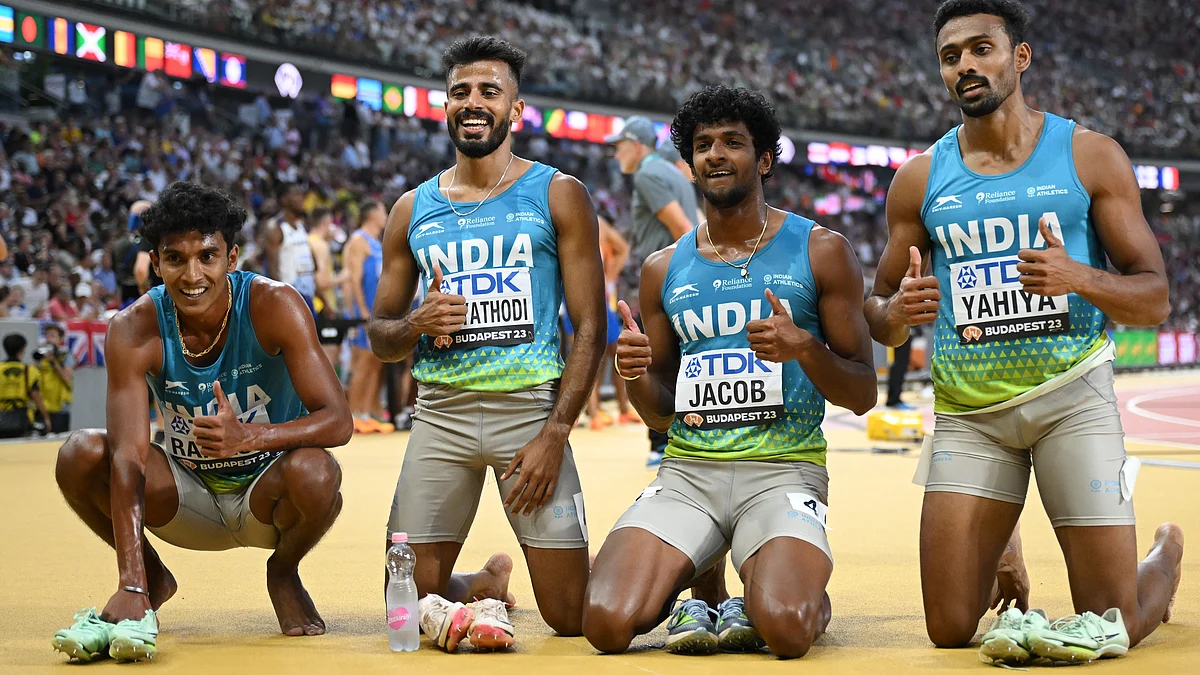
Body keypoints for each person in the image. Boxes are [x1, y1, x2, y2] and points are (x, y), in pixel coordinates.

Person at [864, 0, 1184, 666]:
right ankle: (1001, 537)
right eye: (951, 57)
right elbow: (875, 304)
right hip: (970, 417)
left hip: (1072, 401)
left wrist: (1078, 276)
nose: (966, 66)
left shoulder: (1090, 157)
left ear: (1020, 57)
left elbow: (1154, 299)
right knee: (950, 626)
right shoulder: (918, 180)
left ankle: (1165, 554)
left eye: (981, 48)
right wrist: (894, 316)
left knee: (1111, 621)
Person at [583, 85, 877, 658]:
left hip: (784, 472)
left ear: (765, 159)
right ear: (689, 163)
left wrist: (805, 349)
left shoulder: (821, 250)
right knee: (605, 622)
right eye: (703, 144)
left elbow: (863, 393)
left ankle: (792, 590)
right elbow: (661, 410)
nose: (715, 154)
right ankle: (702, 589)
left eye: (733, 142)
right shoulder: (661, 268)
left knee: (786, 629)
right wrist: (635, 372)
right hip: (689, 474)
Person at [368, 36, 606, 651]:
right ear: (445, 106)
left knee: (572, 616)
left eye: (488, 92)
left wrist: (556, 434)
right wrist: (417, 323)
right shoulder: (410, 209)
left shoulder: (558, 194)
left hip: (528, 416)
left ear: (515, 110)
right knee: (404, 611)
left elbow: (589, 325)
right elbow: (381, 335)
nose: (473, 102)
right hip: (440, 417)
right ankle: (480, 582)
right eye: (460, 92)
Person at [51, 182, 352, 663]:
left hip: (267, 496)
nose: (193, 275)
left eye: (207, 256)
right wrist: (129, 580)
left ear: (231, 258)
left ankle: (284, 571)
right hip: (184, 495)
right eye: (175, 259)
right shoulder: (132, 327)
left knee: (318, 472)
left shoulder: (275, 305)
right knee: (80, 453)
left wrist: (250, 436)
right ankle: (149, 581)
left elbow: (339, 421)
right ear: (156, 261)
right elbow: (128, 455)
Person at [607, 115, 700, 466]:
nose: (616, 154)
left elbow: (681, 227)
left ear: (636, 144)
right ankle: (679, 435)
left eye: (619, 146)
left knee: (659, 361)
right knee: (676, 359)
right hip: (681, 277)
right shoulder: (675, 173)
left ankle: (662, 444)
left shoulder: (648, 174)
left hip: (666, 279)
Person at [344, 201, 394, 434]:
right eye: (383, 211)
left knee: (376, 364)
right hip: (364, 313)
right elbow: (353, 280)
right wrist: (361, 311)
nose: (386, 215)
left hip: (378, 313)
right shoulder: (358, 241)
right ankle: (353, 414)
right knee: (362, 363)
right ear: (372, 214)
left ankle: (366, 412)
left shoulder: (377, 244)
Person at [261, 183, 317, 312]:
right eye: (296, 194)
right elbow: (272, 272)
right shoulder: (275, 227)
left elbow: (312, 266)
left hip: (308, 295)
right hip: (289, 299)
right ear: (284, 200)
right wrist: (282, 302)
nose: (302, 198)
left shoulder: (301, 226)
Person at [0, 332, 50, 437]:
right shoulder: (30, 370)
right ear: (22, 350)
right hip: (23, 422)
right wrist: (46, 418)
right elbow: (36, 396)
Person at [36, 324, 74, 434]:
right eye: (47, 336)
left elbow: (67, 378)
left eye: (53, 336)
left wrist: (54, 362)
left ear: (60, 340)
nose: (49, 339)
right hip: (43, 407)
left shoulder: (65, 356)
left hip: (60, 407)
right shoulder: (41, 355)